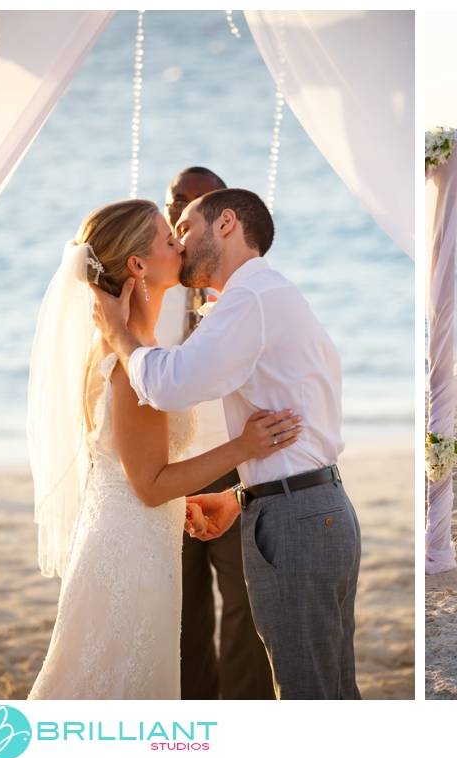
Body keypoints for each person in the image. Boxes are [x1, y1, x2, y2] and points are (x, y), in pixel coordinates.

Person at [91, 188, 361, 699]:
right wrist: (243, 495)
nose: (180, 243)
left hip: (300, 517)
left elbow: (169, 385)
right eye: (170, 236)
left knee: (311, 695)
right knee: (328, 691)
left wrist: (119, 334)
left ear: (226, 224)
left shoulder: (251, 299)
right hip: (306, 508)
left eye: (185, 229)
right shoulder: (264, 296)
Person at [27, 199, 301, 699]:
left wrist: (183, 502)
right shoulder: (134, 364)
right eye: (168, 239)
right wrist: (244, 445)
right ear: (137, 265)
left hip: (131, 539)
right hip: (129, 557)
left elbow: (135, 474)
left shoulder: (134, 348)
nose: (181, 244)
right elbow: (150, 487)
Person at [159, 167, 276, 701]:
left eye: (190, 208)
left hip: (231, 460)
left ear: (219, 220)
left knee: (244, 603)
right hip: (165, 467)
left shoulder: (243, 288)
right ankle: (195, 718)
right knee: (180, 611)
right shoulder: (149, 282)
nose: (177, 222)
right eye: (172, 206)